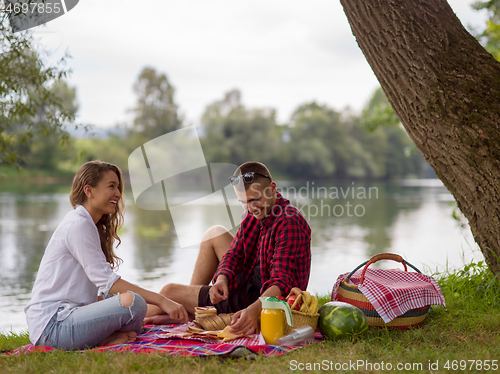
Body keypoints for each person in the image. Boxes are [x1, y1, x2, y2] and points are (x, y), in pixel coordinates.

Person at [24, 160, 188, 350]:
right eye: (111, 186)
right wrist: (161, 300)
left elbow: (100, 291)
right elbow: (108, 282)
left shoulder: (86, 224)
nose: (118, 194)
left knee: (129, 302)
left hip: (68, 317)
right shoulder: (78, 225)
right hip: (53, 326)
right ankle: (104, 339)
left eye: (118, 187)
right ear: (89, 190)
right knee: (134, 303)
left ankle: (105, 338)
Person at [145, 161, 311, 335]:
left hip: (264, 301)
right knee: (214, 233)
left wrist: (253, 312)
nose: (250, 208)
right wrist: (222, 279)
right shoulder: (255, 212)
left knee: (169, 292)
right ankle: (194, 310)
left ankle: (136, 316)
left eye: (255, 199)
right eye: (243, 202)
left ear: (272, 189)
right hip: (251, 279)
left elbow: (281, 284)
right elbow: (234, 253)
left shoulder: (289, 221)